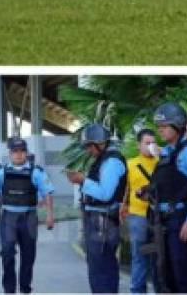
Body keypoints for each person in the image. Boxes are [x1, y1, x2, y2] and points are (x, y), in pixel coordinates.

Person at [150, 102, 187, 294]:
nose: (160, 131)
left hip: (180, 219)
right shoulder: (166, 153)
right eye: (159, 127)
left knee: (184, 274)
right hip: (163, 220)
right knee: (166, 275)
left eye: (164, 127)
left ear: (178, 125)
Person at [0, 137, 55, 295]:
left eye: (22, 151)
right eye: (15, 151)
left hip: (29, 217)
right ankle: (9, 290)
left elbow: (47, 193)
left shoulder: (35, 171)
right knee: (7, 253)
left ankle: (25, 289)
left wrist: (50, 215)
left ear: (26, 153)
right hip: (9, 217)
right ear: (10, 154)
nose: (18, 155)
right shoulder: (3, 172)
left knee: (28, 256)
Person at [64, 124, 127, 293]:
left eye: (89, 146)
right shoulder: (103, 160)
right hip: (99, 220)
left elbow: (105, 193)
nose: (87, 150)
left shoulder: (112, 162)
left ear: (99, 143)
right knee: (99, 264)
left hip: (103, 221)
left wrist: (82, 181)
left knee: (101, 267)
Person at [121, 129, 158, 294]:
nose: (150, 146)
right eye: (147, 143)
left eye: (153, 143)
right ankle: (137, 290)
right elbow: (124, 191)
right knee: (139, 255)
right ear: (138, 145)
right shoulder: (130, 164)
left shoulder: (161, 162)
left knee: (158, 256)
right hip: (138, 216)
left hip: (158, 217)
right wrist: (123, 210)